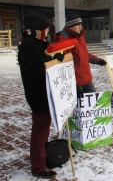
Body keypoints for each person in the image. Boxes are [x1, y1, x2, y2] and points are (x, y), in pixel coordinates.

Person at [18, 13, 77, 179]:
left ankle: (41, 157)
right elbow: (35, 72)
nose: (46, 32)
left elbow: (39, 63)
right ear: (36, 31)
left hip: (43, 95)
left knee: (42, 130)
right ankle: (38, 166)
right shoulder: (29, 45)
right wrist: (52, 63)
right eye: (44, 30)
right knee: (40, 131)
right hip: (38, 97)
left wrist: (52, 59)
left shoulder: (34, 43)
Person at [55, 14, 107, 98]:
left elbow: (85, 54)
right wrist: (73, 84)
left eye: (81, 25)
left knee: (93, 103)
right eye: (78, 25)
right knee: (78, 108)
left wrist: (98, 61)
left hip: (87, 79)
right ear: (70, 26)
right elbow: (65, 66)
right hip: (75, 82)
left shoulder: (80, 37)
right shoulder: (63, 40)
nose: (81, 27)